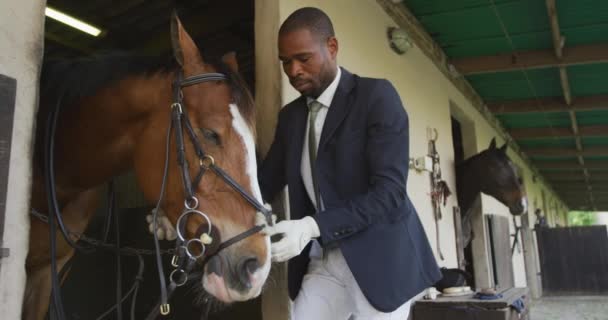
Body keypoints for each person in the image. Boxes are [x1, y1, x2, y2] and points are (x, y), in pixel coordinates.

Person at [259, 7, 441, 319]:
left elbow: (389, 194)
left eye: (303, 58)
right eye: (285, 61)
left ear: (332, 47)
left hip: (380, 263)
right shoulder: (290, 118)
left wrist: (309, 227)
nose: (293, 70)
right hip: (321, 263)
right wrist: (186, 210)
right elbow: (264, 183)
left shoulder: (377, 97)